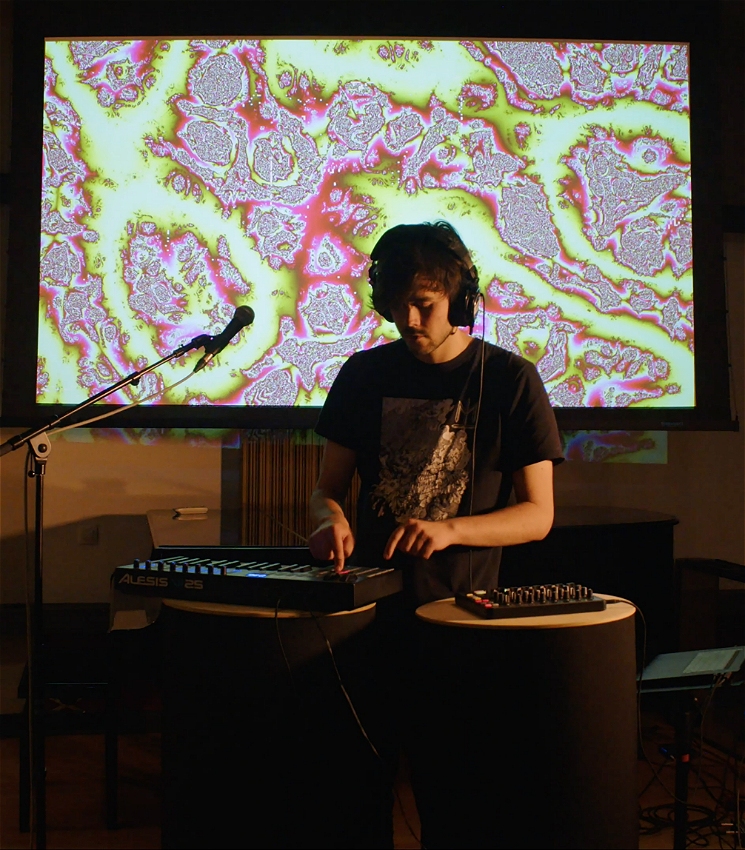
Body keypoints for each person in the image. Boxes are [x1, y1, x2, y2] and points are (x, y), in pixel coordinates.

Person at [308, 220, 564, 848]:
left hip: (460, 624)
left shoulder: (510, 380)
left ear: (460, 299)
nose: (410, 321)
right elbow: (327, 490)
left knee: (458, 797)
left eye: (423, 305)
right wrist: (329, 518)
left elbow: (538, 515)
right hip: (365, 618)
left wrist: (449, 530)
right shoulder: (363, 376)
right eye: (397, 308)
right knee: (352, 792)